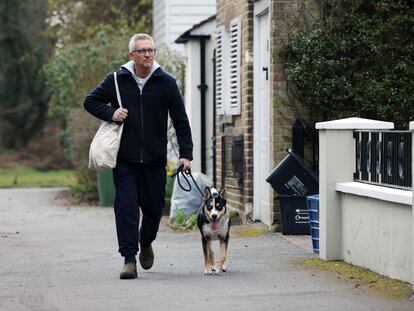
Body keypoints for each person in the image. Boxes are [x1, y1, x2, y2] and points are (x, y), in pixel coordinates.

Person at [84, 33, 193, 279]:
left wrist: (186, 154)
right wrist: (111, 113)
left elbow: (180, 120)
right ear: (131, 55)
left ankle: (146, 241)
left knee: (154, 208)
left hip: (154, 160)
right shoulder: (116, 79)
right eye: (142, 50)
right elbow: (90, 101)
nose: (147, 54)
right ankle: (129, 259)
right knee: (126, 208)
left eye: (150, 50)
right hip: (124, 159)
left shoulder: (166, 82)